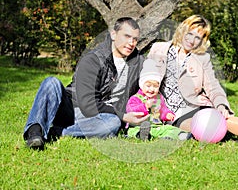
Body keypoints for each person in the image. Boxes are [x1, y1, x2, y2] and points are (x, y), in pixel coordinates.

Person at [147, 15, 238, 153]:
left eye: (198, 37)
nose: (192, 40)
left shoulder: (202, 58)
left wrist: (221, 105)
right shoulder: (159, 49)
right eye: (190, 34)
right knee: (202, 126)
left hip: (196, 105)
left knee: (225, 119)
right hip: (171, 112)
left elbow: (213, 86)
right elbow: (145, 77)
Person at [23, 17, 149, 150]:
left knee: (113, 123)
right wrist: (124, 116)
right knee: (51, 82)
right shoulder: (93, 59)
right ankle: (35, 132)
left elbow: (153, 77)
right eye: (127, 36)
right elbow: (88, 103)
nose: (131, 43)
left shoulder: (138, 62)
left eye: (135, 39)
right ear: (113, 34)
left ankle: (56, 132)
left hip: (100, 116)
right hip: (71, 108)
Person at [125, 59, 192, 140]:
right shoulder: (135, 98)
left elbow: (162, 109)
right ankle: (141, 135)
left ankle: (177, 136)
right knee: (133, 131)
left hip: (156, 126)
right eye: (148, 86)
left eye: (155, 86)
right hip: (139, 125)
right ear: (142, 85)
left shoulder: (158, 98)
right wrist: (145, 106)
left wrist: (167, 114)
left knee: (168, 128)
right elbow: (131, 110)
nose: (152, 89)